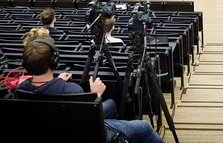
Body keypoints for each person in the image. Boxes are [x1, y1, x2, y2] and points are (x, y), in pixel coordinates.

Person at [16, 37, 165, 143]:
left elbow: (44, 94)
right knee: (144, 127)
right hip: (84, 133)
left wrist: (58, 80)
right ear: (54, 62)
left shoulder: (21, 90)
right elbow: (87, 125)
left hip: (47, 129)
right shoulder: (72, 91)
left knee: (112, 104)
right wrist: (95, 95)